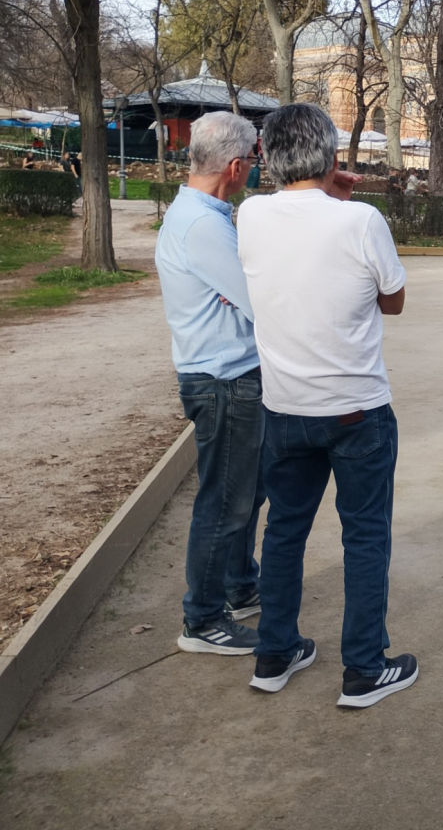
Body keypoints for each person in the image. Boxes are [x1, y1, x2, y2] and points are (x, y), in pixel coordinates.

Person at [236, 102, 416, 708]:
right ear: (333, 156)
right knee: (365, 537)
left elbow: (281, 205)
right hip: (355, 407)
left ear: (266, 156)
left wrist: (319, 187)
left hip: (284, 407)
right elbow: (392, 302)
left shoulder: (250, 216)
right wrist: (338, 197)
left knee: (285, 531)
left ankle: (274, 651)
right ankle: (363, 668)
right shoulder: (361, 220)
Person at [155, 111, 265, 656]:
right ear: (237, 166)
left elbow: (243, 293)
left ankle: (240, 583)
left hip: (227, 375)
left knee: (246, 491)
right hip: (224, 380)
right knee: (225, 502)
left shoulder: (202, 214)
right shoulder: (203, 226)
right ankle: (202, 619)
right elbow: (260, 301)